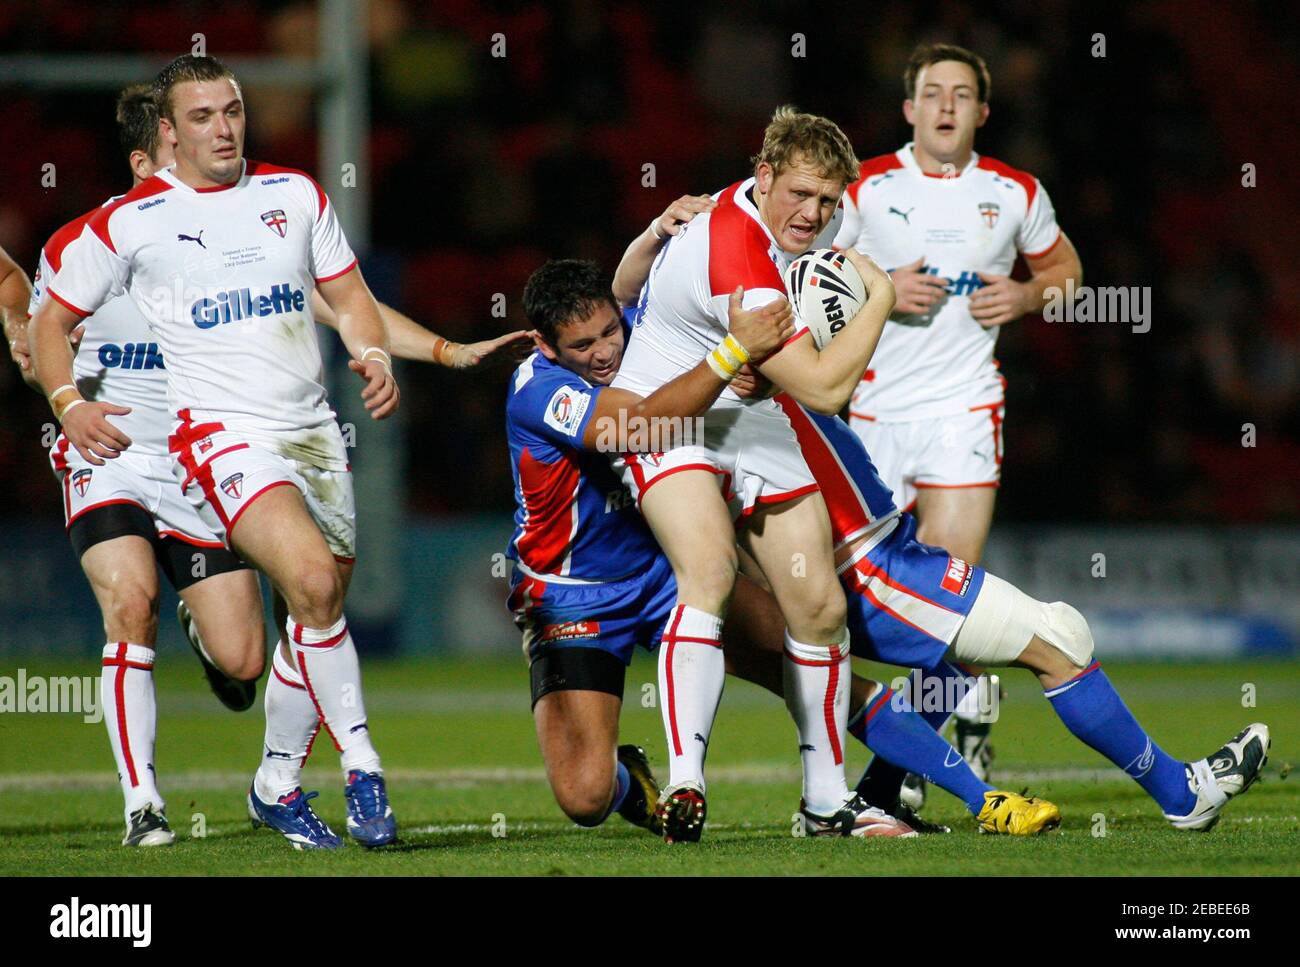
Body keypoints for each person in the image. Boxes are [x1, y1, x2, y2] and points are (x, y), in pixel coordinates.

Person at [624, 198, 1269, 835]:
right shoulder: (751, 363)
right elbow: (813, 378)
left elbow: (640, 292)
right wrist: (872, 297)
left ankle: (880, 794)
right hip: (873, 568)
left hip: (887, 550)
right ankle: (1184, 793)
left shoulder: (731, 341)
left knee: (957, 670)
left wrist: (660, 230)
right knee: (1061, 640)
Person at [29, 54, 400, 849]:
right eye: (202, 117)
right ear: (166, 135)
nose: (224, 128)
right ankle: (359, 768)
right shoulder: (127, 223)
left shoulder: (294, 194)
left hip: (310, 430)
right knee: (287, 583)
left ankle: (274, 782)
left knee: (304, 615)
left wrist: (372, 353)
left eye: (232, 111)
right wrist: (68, 404)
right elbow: (47, 324)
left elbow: (351, 299)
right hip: (211, 440)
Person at [609, 106, 899, 840]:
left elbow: (626, 281)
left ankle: (824, 800)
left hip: (748, 414)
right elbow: (829, 391)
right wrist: (883, 302)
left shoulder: (809, 217)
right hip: (670, 412)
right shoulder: (737, 252)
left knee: (819, 605)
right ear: (763, 176)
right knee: (708, 571)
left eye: (829, 200)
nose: (815, 213)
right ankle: (685, 782)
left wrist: (649, 235)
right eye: (800, 194)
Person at [834, 43, 1085, 799]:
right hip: (870, 409)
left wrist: (1027, 295)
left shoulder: (1013, 192)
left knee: (948, 606)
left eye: (962, 94)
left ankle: (891, 779)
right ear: (909, 109)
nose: (947, 105)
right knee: (837, 601)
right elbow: (805, 270)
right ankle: (942, 731)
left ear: (982, 110)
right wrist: (877, 282)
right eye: (932, 93)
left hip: (963, 411)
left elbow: (1067, 275)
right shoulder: (865, 187)